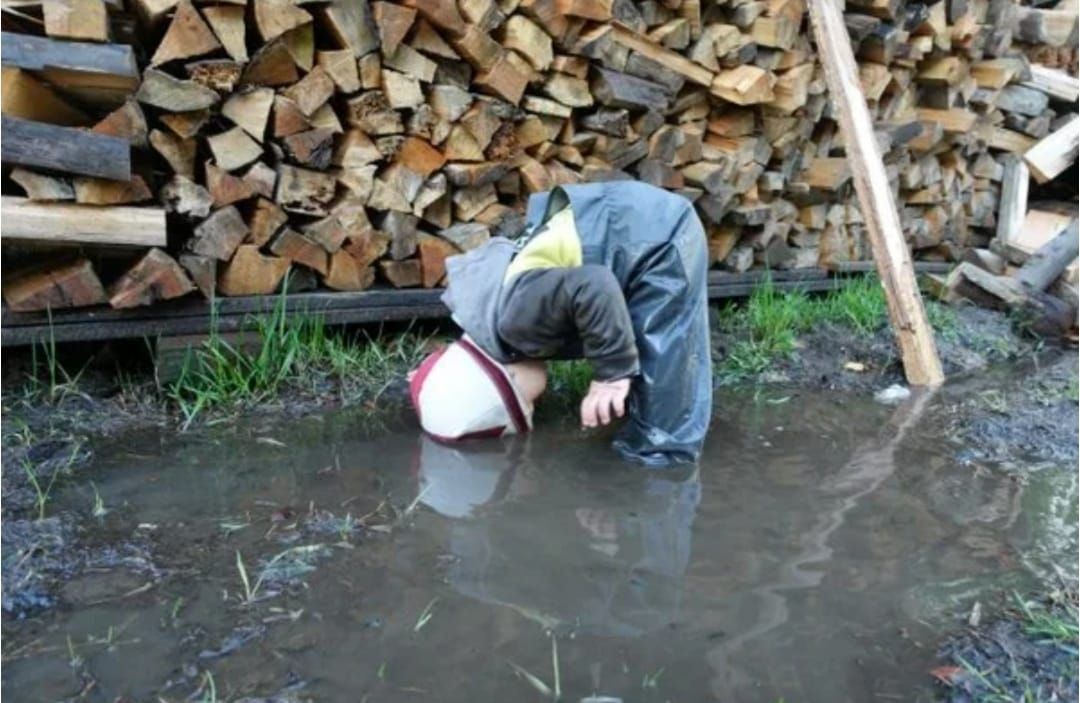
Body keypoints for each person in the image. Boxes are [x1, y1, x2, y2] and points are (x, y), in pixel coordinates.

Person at [409, 181, 712, 465]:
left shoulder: (517, 321)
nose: (532, 407)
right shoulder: (484, 317)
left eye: (525, 403)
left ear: (509, 375)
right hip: (617, 221)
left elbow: (594, 285)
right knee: (631, 333)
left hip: (656, 236)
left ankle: (661, 464)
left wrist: (612, 374)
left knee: (663, 368)